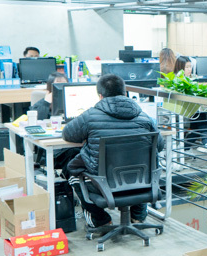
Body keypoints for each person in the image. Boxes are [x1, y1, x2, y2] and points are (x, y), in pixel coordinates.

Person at [62, 74, 165, 229]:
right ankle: (138, 215)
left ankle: (101, 220)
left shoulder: (90, 115)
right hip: (141, 182)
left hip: (104, 184)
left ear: (100, 96)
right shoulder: (145, 117)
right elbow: (160, 145)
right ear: (125, 93)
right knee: (139, 161)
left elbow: (67, 134)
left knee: (72, 173)